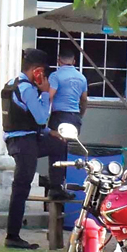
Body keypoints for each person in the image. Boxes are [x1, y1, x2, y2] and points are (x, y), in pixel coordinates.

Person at [2, 48, 55, 250]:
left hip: (17, 140)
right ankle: (13, 235)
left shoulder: (11, 84)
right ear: (38, 72)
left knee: (58, 144)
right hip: (25, 142)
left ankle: (57, 186)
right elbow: (41, 117)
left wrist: (50, 133)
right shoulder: (29, 89)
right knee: (21, 188)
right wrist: (45, 94)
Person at [42, 45, 89, 201]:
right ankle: (66, 186)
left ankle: (56, 187)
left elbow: (50, 95)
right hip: (74, 117)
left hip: (59, 117)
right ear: (74, 61)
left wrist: (41, 114)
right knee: (69, 152)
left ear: (58, 60)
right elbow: (84, 100)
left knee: (56, 152)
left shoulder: (55, 76)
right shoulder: (82, 77)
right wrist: (80, 116)